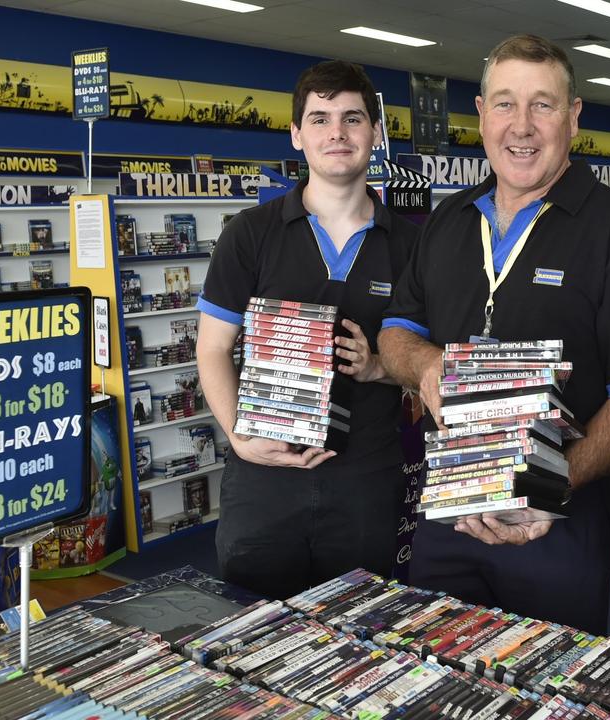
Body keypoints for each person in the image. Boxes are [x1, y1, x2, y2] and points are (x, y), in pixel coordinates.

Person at [379, 34, 610, 635]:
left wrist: (552, 482)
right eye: (506, 104)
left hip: (559, 521)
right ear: (482, 115)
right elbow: (394, 337)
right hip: (450, 515)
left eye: (543, 104)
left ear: (573, 117)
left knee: (552, 689)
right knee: (435, 673)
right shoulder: (446, 222)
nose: (523, 125)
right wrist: (428, 364)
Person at [197, 60, 418, 601]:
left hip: (366, 483)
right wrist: (241, 439)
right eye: (319, 119)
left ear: (376, 132)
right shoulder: (250, 234)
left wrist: (379, 366)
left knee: (367, 639)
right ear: (297, 134)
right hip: (264, 484)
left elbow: (430, 360)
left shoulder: (413, 246)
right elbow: (212, 349)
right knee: (253, 642)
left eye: (352, 118)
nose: (336, 133)